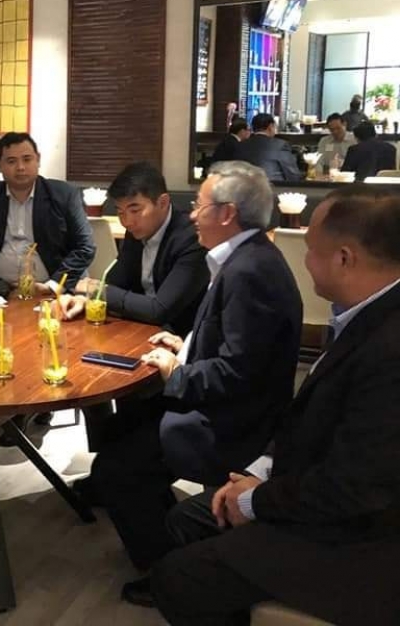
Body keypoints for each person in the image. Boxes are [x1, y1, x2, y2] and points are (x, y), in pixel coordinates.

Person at [152, 184, 400, 626]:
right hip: (313, 481)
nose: (304, 261)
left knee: (177, 579)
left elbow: (355, 486)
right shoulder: (361, 313)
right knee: (185, 520)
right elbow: (309, 417)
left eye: (311, 250)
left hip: (362, 535)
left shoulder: (389, 350)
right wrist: (259, 472)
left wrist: (256, 501)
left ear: (345, 258)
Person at [87, 162, 302, 605]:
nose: (191, 216)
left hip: (236, 425)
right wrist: (185, 344)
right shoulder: (247, 257)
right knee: (123, 434)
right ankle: (176, 537)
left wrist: (175, 371)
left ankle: (169, 573)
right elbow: (235, 346)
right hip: (234, 406)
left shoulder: (249, 271)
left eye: (199, 206)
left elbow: (237, 372)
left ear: (226, 213)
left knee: (117, 469)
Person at [57, 162, 208, 337]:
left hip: (180, 338)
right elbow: (117, 281)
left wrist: (98, 290)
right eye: (120, 212)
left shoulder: (192, 238)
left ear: (163, 202)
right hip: (140, 328)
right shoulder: (136, 231)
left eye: (135, 210)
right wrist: (84, 299)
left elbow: (160, 310)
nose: (127, 221)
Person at [0, 132, 95, 297]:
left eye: (27, 159)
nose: (20, 167)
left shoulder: (64, 195)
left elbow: (85, 247)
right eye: (11, 161)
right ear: (0, 165)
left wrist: (53, 286)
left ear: (38, 160)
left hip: (51, 292)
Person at [235, 113, 302, 182]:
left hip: (244, 186)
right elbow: (293, 174)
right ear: (270, 127)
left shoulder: (241, 145)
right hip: (273, 186)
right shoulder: (280, 145)